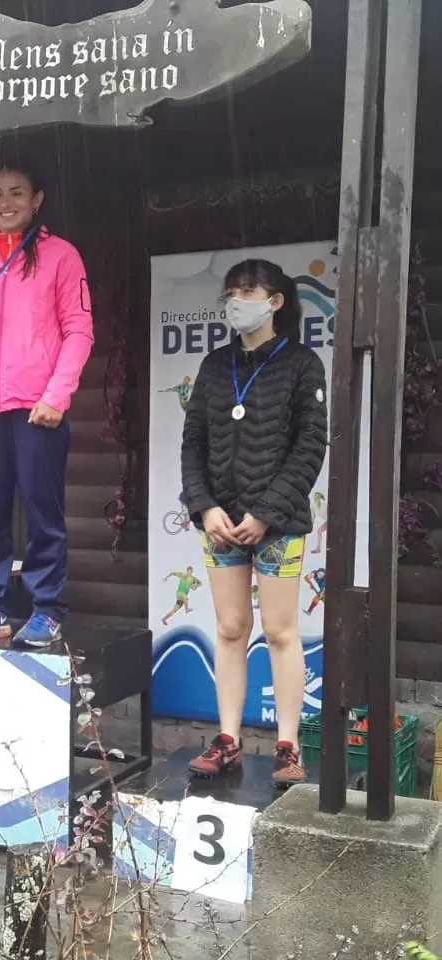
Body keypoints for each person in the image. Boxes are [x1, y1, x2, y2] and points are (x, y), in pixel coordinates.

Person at [181, 258, 328, 787]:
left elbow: (311, 446)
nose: (237, 300)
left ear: (275, 301)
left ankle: (288, 747)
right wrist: (204, 506)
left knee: (281, 630)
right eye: (232, 292)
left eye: (249, 291)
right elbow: (192, 441)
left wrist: (265, 513)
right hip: (219, 522)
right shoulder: (214, 366)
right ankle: (227, 741)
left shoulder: (304, 364)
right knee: (229, 628)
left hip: (279, 523)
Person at [0, 164, 94, 648]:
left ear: (37, 199)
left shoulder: (60, 256)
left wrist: (57, 394)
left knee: (41, 508)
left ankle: (46, 608)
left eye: (16, 193)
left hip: (37, 404)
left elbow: (79, 330)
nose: (6, 202)